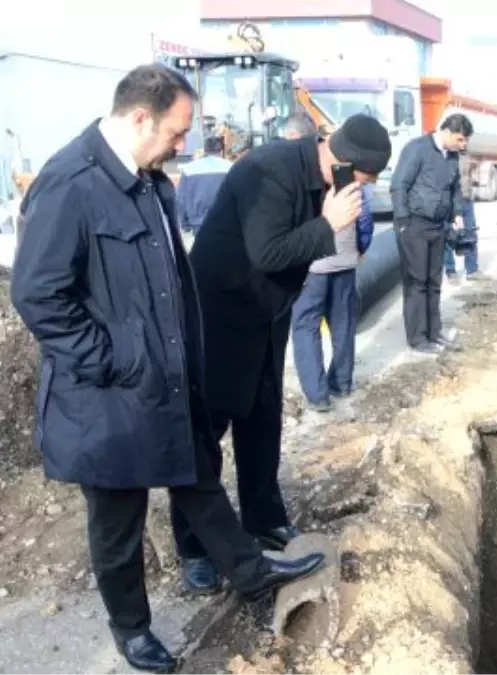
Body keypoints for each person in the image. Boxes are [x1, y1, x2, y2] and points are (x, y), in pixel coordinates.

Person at [9, 64, 326, 672]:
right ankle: (132, 630)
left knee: (200, 479)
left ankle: (250, 572)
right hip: (108, 395)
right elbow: (39, 294)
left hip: (167, 378)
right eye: (178, 132)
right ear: (138, 119)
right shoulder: (71, 184)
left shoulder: (151, 180)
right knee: (118, 520)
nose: (185, 144)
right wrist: (114, 361)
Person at [178, 113, 390, 590]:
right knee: (207, 432)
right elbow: (268, 252)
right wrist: (329, 224)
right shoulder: (270, 170)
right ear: (342, 162)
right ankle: (195, 547)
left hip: (265, 314)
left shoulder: (323, 180)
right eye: (364, 179)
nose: (365, 189)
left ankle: (263, 517)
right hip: (220, 315)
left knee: (262, 419)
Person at [390, 113, 473, 354]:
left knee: (434, 281)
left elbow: (455, 188)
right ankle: (418, 339)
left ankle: (434, 332)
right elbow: (399, 185)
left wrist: (457, 213)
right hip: (414, 225)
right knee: (417, 283)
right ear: (446, 132)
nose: (463, 145)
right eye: (460, 140)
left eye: (465, 141)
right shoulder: (417, 149)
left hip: (438, 227)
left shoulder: (452, 156)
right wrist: (403, 221)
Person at [291, 181, 376, 412]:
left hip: (310, 267)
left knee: (306, 327)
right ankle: (341, 384)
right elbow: (365, 218)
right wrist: (360, 247)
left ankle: (318, 396)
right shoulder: (349, 182)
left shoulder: (297, 182)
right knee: (343, 324)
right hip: (344, 262)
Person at [175, 134, 232, 234]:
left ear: (205, 150)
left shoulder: (189, 169)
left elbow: (181, 197)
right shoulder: (230, 167)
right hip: (226, 221)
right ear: (221, 151)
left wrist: (184, 223)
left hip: (198, 223)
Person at [444, 153, 485, 284]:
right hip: (450, 202)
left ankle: (472, 270)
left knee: (470, 235)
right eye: (461, 139)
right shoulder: (444, 156)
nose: (463, 142)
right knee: (449, 237)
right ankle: (451, 271)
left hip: (467, 200)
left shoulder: (466, 155)